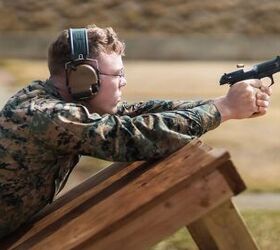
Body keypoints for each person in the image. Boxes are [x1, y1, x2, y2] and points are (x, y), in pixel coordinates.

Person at [0, 24, 271, 238]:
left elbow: (139, 112)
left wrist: (217, 103)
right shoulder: (48, 114)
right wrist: (224, 110)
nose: (123, 82)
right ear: (83, 78)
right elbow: (131, 137)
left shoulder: (53, 99)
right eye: (116, 75)